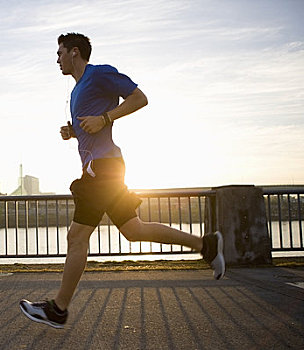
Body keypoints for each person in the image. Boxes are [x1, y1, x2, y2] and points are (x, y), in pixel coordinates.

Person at [19, 33, 225, 329]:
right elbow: (92, 128)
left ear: (74, 52)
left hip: (103, 170)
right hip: (105, 168)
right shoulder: (78, 89)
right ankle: (205, 244)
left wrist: (106, 118)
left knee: (76, 237)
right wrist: (74, 132)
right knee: (133, 229)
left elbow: (140, 98)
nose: (57, 58)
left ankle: (58, 309)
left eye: (60, 52)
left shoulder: (99, 73)